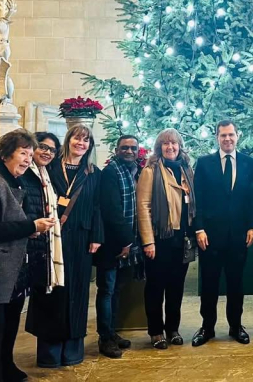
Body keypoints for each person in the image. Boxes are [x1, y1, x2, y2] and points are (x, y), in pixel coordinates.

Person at [0, 129, 55, 382]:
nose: (28, 159)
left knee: (9, 326)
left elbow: (14, 218)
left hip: (16, 268)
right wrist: (32, 227)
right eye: (23, 153)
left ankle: (6, 366)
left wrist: (29, 229)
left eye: (30, 154)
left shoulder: (15, 179)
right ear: (6, 153)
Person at [26, 124, 103, 368]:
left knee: (78, 293)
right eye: (77, 139)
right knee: (52, 292)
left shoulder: (93, 173)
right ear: (68, 140)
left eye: (86, 140)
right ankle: (49, 352)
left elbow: (98, 207)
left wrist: (96, 236)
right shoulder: (49, 167)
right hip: (51, 238)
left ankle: (72, 351)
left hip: (81, 239)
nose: (81, 143)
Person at [191, 120, 253, 347]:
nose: (227, 139)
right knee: (209, 285)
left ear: (237, 136)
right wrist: (198, 228)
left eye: (231, 135)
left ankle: (235, 326)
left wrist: (252, 226)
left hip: (238, 236)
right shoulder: (204, 163)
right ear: (217, 137)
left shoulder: (249, 164)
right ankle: (207, 327)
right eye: (223, 136)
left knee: (236, 285)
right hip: (209, 237)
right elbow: (197, 200)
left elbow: (252, 199)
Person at [137, 128, 197, 349]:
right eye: (166, 144)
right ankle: (156, 331)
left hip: (181, 239)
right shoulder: (151, 171)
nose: (170, 147)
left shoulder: (186, 169)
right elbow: (143, 207)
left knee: (176, 287)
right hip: (160, 239)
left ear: (180, 146)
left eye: (174, 143)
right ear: (159, 147)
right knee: (155, 287)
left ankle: (173, 328)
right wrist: (148, 241)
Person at [95, 134, 141, 358]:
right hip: (112, 244)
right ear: (116, 149)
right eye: (124, 148)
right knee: (106, 291)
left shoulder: (133, 172)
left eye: (133, 148)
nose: (129, 151)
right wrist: (125, 241)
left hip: (127, 244)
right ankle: (105, 338)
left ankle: (112, 333)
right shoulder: (111, 172)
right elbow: (111, 210)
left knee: (116, 292)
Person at [22, 133, 65, 295]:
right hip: (29, 238)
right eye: (43, 147)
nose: (48, 153)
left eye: (52, 150)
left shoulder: (47, 174)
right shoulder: (25, 172)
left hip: (43, 242)